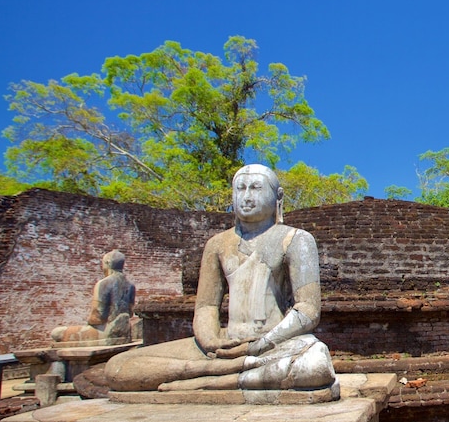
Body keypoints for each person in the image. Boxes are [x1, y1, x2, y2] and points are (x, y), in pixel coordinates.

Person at [105, 164, 336, 392]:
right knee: (118, 367)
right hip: (226, 343)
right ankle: (223, 373)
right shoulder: (217, 244)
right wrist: (211, 341)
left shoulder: (296, 240)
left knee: (315, 364)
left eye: (255, 188)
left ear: (278, 196)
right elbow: (206, 306)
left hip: (274, 343)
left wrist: (261, 344)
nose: (246, 197)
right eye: (240, 188)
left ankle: (213, 378)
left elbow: (307, 309)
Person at [51, 250, 135, 344]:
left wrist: (89, 322)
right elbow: (130, 313)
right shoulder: (131, 285)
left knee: (57, 333)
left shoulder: (103, 283)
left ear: (107, 263)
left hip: (105, 330)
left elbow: (98, 316)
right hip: (124, 330)